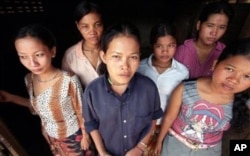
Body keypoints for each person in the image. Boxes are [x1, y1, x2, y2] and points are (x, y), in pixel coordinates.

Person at [0, 24, 93, 156]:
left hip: (74, 138)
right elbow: (39, 107)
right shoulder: (29, 80)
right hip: (50, 137)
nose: (32, 63)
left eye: (38, 54)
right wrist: (11, 98)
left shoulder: (68, 80)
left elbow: (82, 111)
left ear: (52, 51)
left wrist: (86, 136)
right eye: (23, 56)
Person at [154, 37, 250, 156]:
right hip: (173, 147)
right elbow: (169, 117)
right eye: (230, 69)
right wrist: (159, 142)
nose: (234, 80)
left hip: (210, 152)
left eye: (247, 76)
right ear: (215, 64)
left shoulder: (242, 102)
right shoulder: (185, 89)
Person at [82, 23, 164, 156]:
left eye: (133, 57)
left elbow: (153, 118)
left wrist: (139, 148)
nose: (125, 66)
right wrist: (102, 152)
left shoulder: (148, 88)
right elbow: (91, 124)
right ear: (104, 56)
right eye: (116, 56)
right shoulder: (92, 92)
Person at [137, 23, 189, 152]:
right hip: (140, 124)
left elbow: (179, 105)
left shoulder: (182, 72)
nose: (165, 51)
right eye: (159, 46)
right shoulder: (140, 67)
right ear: (152, 46)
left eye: (171, 46)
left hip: (165, 126)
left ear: (176, 45)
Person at [174, 1, 234, 79]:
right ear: (199, 25)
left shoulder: (226, 54)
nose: (214, 32)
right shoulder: (181, 51)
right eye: (210, 25)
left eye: (221, 27)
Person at [62, 0, 104, 86]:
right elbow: (68, 88)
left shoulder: (112, 49)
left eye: (97, 24)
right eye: (85, 26)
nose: (92, 32)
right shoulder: (70, 56)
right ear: (78, 26)